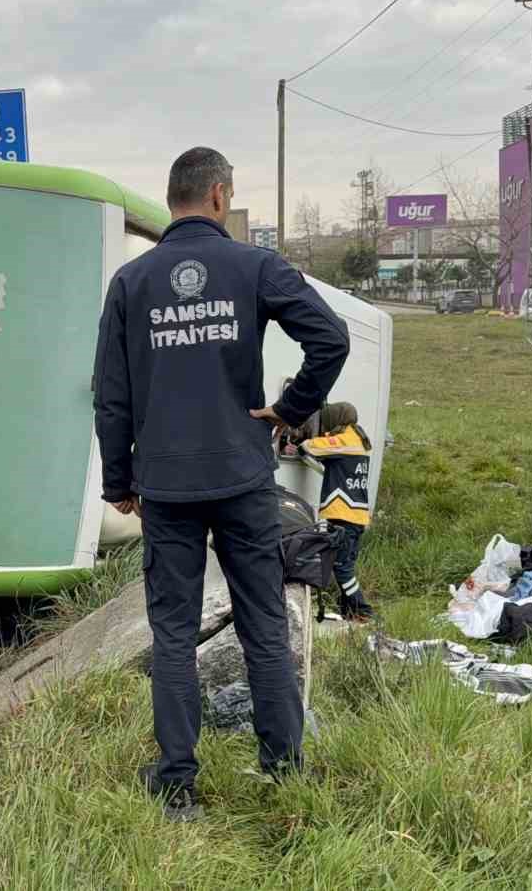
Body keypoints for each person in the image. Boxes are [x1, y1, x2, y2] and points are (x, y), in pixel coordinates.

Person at [93, 146, 349, 820]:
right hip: (242, 476)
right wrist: (291, 411)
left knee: (172, 633)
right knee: (264, 621)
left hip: (167, 486)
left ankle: (177, 784)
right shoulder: (253, 266)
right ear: (218, 196)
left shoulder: (132, 283)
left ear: (175, 196)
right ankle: (283, 769)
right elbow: (330, 338)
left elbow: (111, 397)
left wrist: (120, 480)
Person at [298, 401, 376, 622]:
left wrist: (301, 441)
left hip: (343, 516)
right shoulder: (358, 440)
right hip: (355, 517)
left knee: (342, 568)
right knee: (343, 566)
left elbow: (310, 447)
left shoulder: (344, 440)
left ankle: (364, 611)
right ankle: (349, 613)